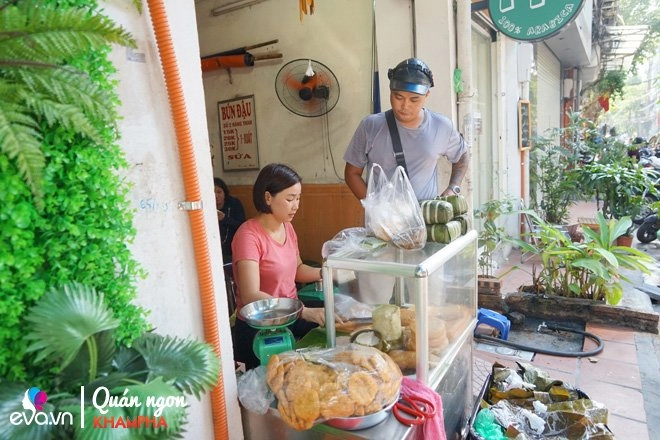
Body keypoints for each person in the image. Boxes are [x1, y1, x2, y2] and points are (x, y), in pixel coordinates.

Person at [231, 163, 343, 369]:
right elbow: (250, 295)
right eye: (290, 199)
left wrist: (326, 273)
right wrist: (302, 312)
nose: (296, 206)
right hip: (259, 329)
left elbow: (297, 268)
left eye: (298, 198)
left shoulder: (287, 227)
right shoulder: (248, 236)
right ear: (267, 198)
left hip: (289, 318)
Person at [344, 57, 469, 202]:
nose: (405, 105)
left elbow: (462, 155)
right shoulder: (370, 126)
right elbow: (351, 174)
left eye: (414, 99)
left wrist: (453, 188)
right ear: (390, 91)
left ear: (426, 95)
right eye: (398, 97)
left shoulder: (441, 126)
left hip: (425, 221)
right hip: (382, 222)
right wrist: (375, 207)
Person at [214, 177, 246, 263]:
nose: (216, 196)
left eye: (219, 192)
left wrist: (225, 219)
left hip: (233, 250)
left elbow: (242, 226)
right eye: (212, 192)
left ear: (224, 192)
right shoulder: (206, 207)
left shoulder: (234, 203)